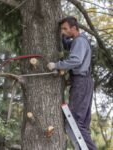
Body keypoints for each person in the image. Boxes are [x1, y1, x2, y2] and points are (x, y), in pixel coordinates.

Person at [47, 16, 97, 150]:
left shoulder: (80, 41)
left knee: (74, 122)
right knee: (81, 125)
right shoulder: (78, 41)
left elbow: (76, 60)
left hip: (81, 82)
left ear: (74, 28)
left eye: (65, 29)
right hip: (83, 82)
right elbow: (69, 45)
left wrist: (56, 65)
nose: (63, 31)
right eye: (62, 29)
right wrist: (63, 38)